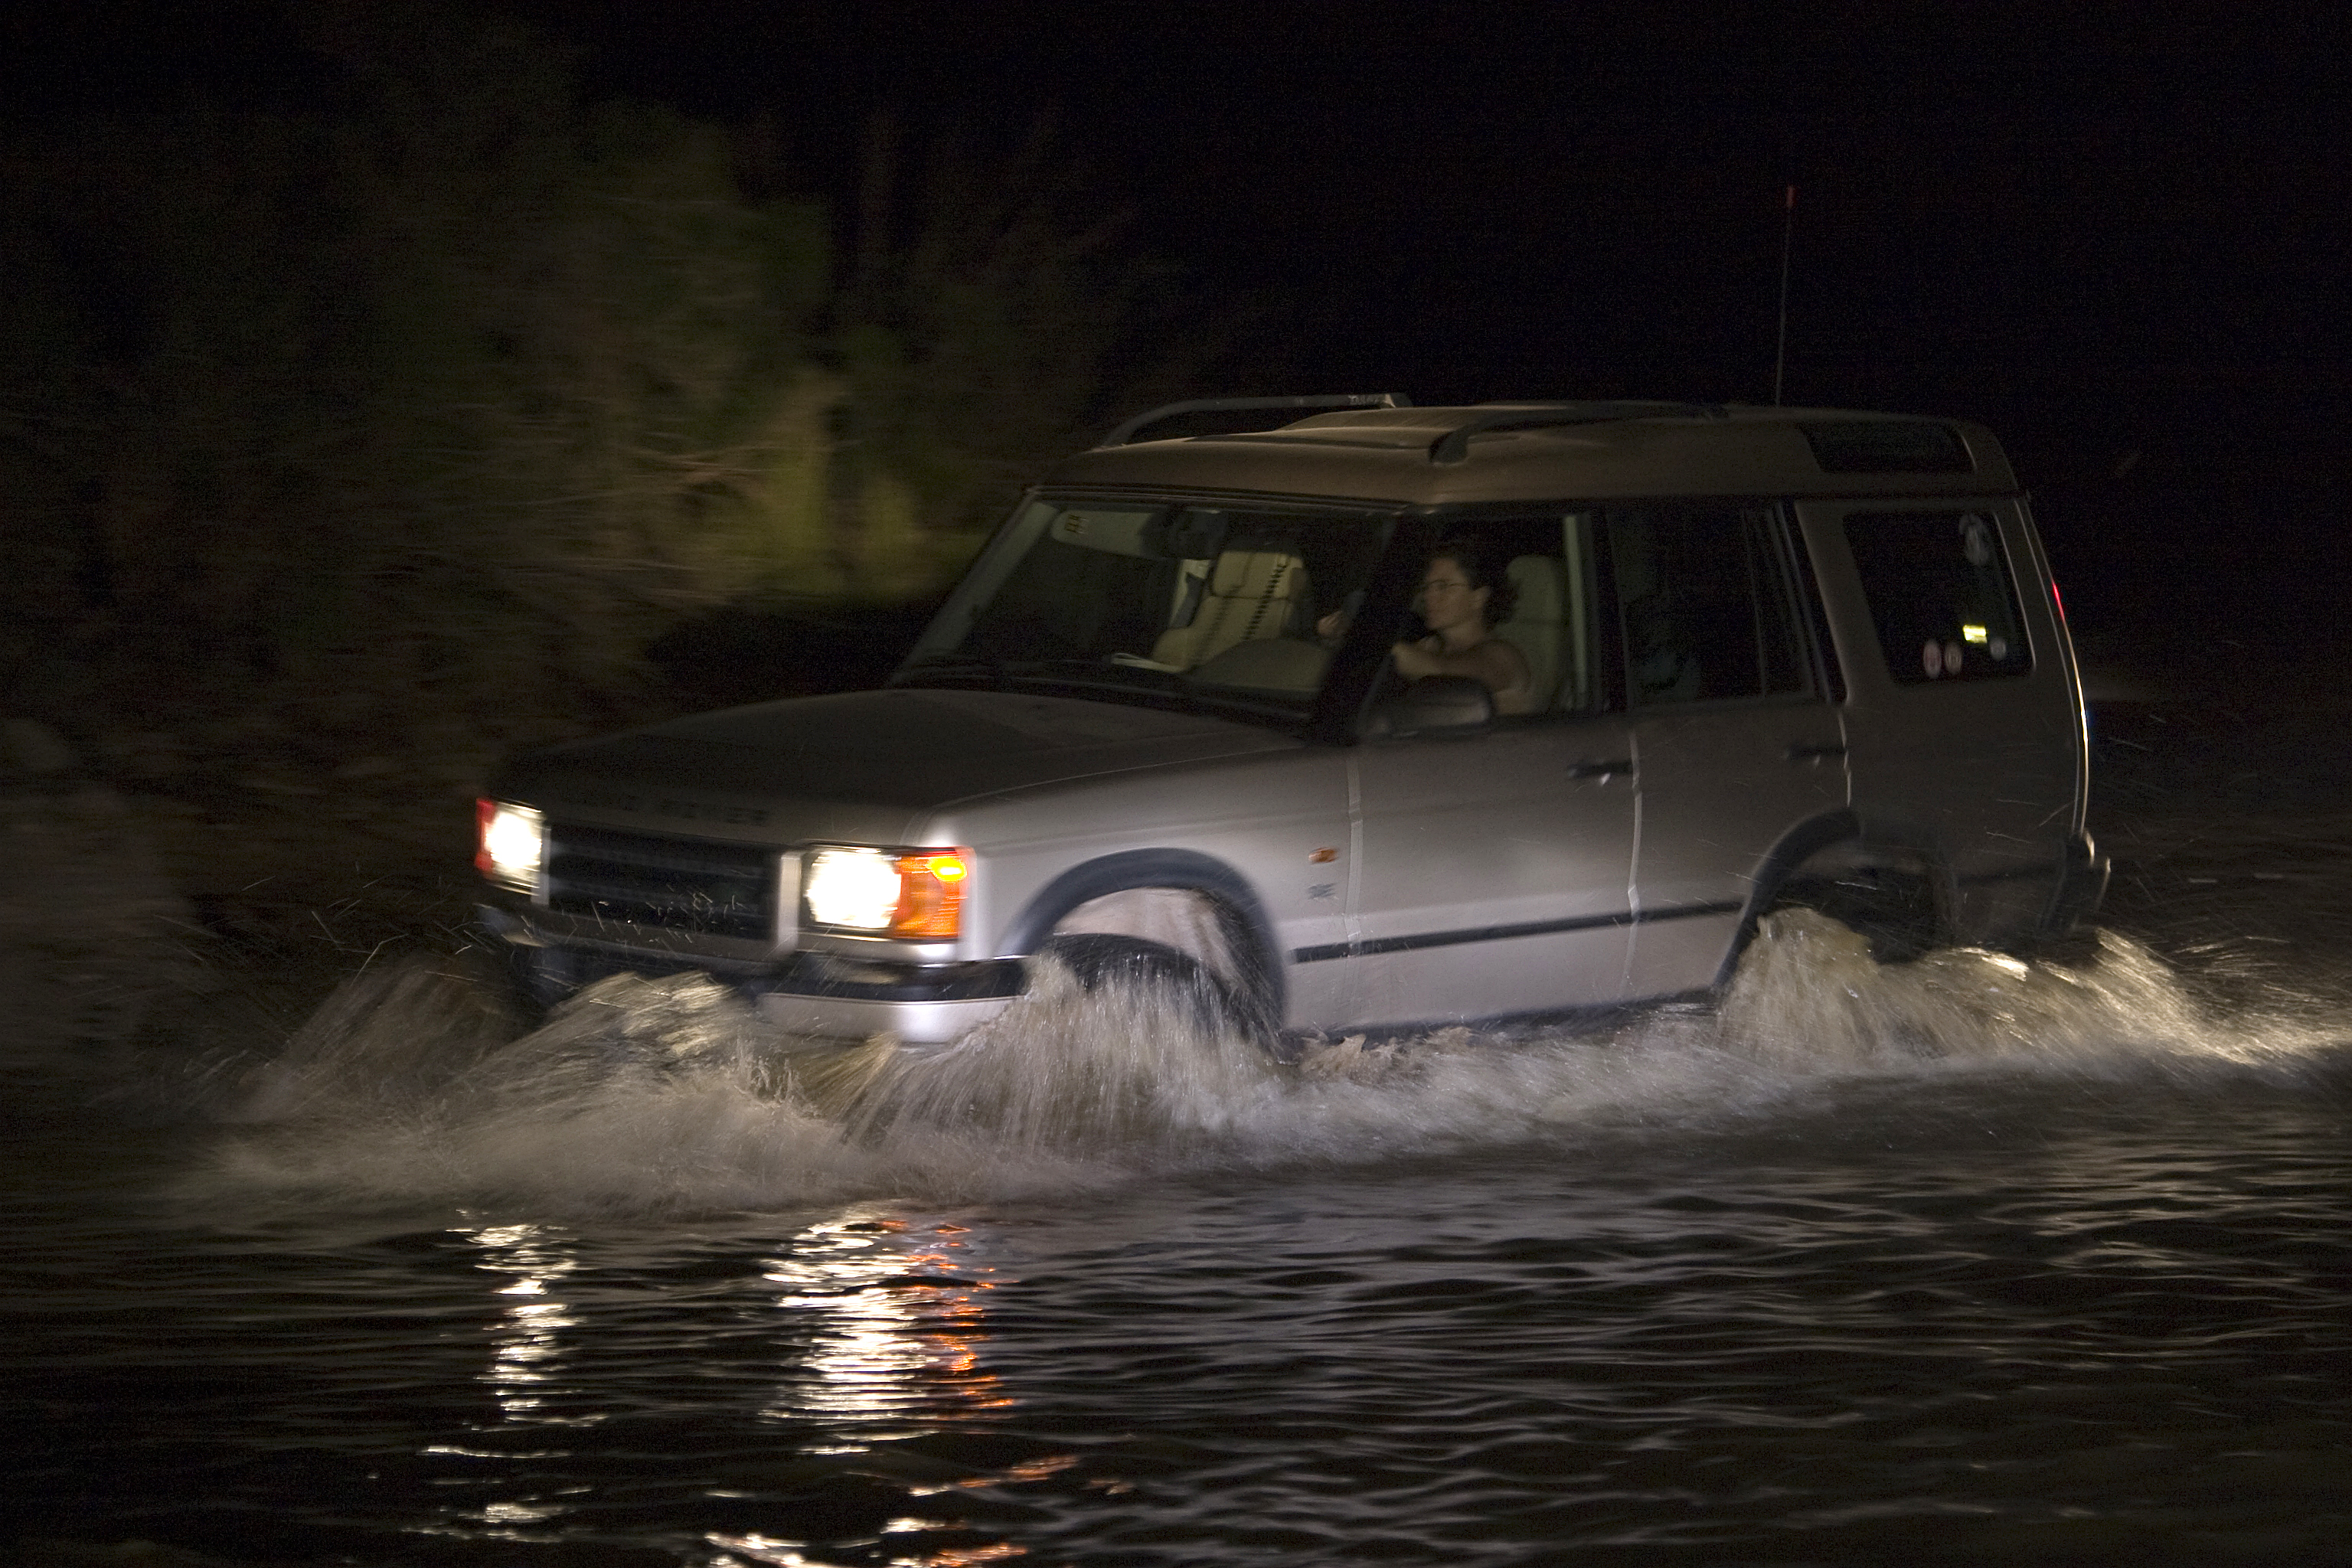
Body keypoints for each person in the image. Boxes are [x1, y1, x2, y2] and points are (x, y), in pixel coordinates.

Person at [1390, 541, 1537, 714]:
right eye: (1426, 587)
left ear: (1478, 597)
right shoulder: (1430, 647)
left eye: (1443, 586)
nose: (1427, 596)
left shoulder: (1503, 657)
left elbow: (1445, 672)